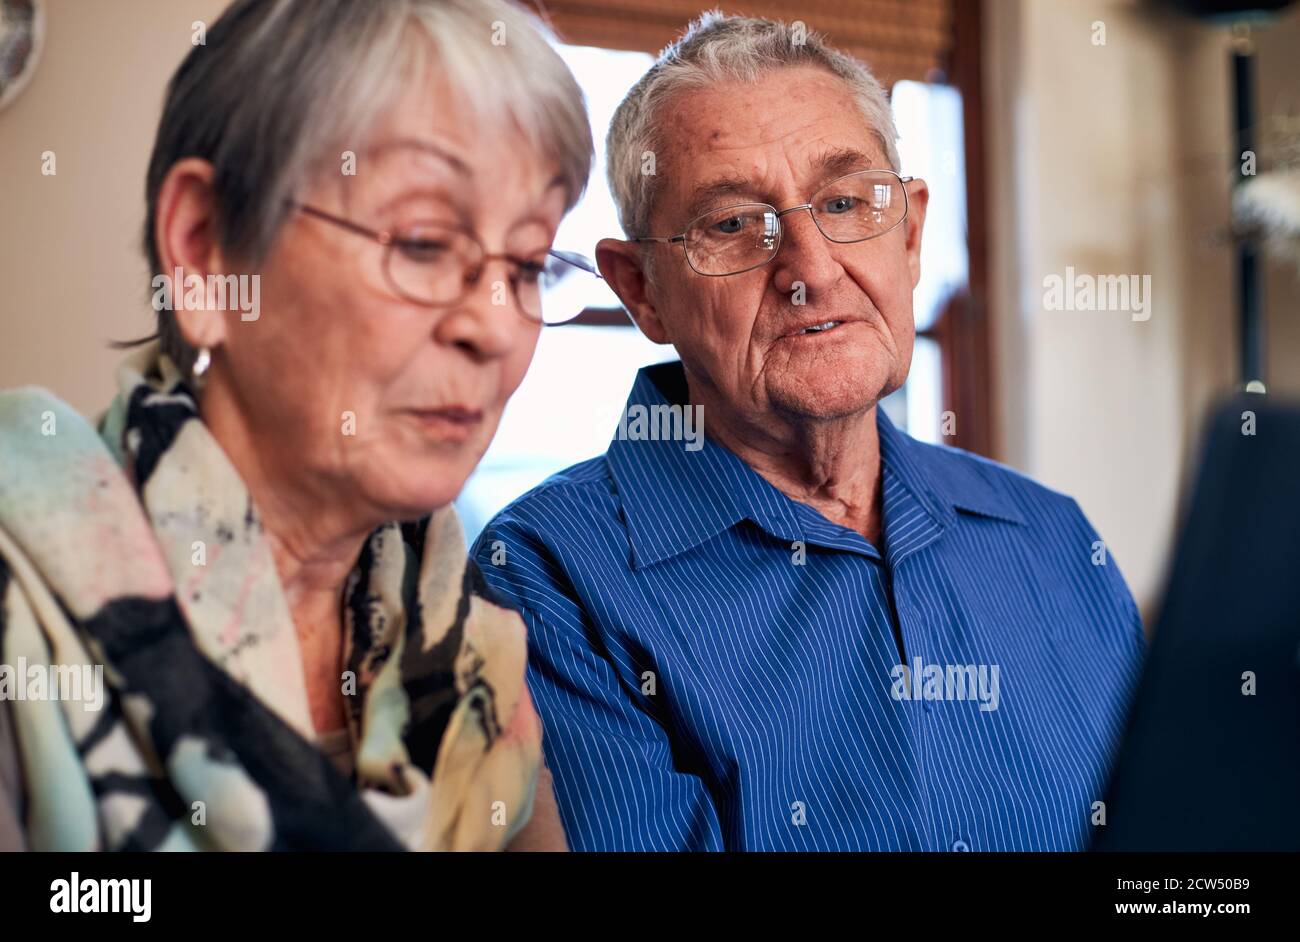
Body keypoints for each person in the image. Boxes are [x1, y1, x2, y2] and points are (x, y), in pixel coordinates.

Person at [475, 12, 1146, 851]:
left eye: (844, 202)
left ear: (908, 235)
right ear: (641, 289)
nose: (813, 270)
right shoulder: (547, 577)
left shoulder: (1050, 538)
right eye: (731, 225)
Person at [0, 0, 596, 851]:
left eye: (529, 263)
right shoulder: (17, 618)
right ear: (204, 254)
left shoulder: (481, 664)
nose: (498, 328)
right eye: (425, 243)